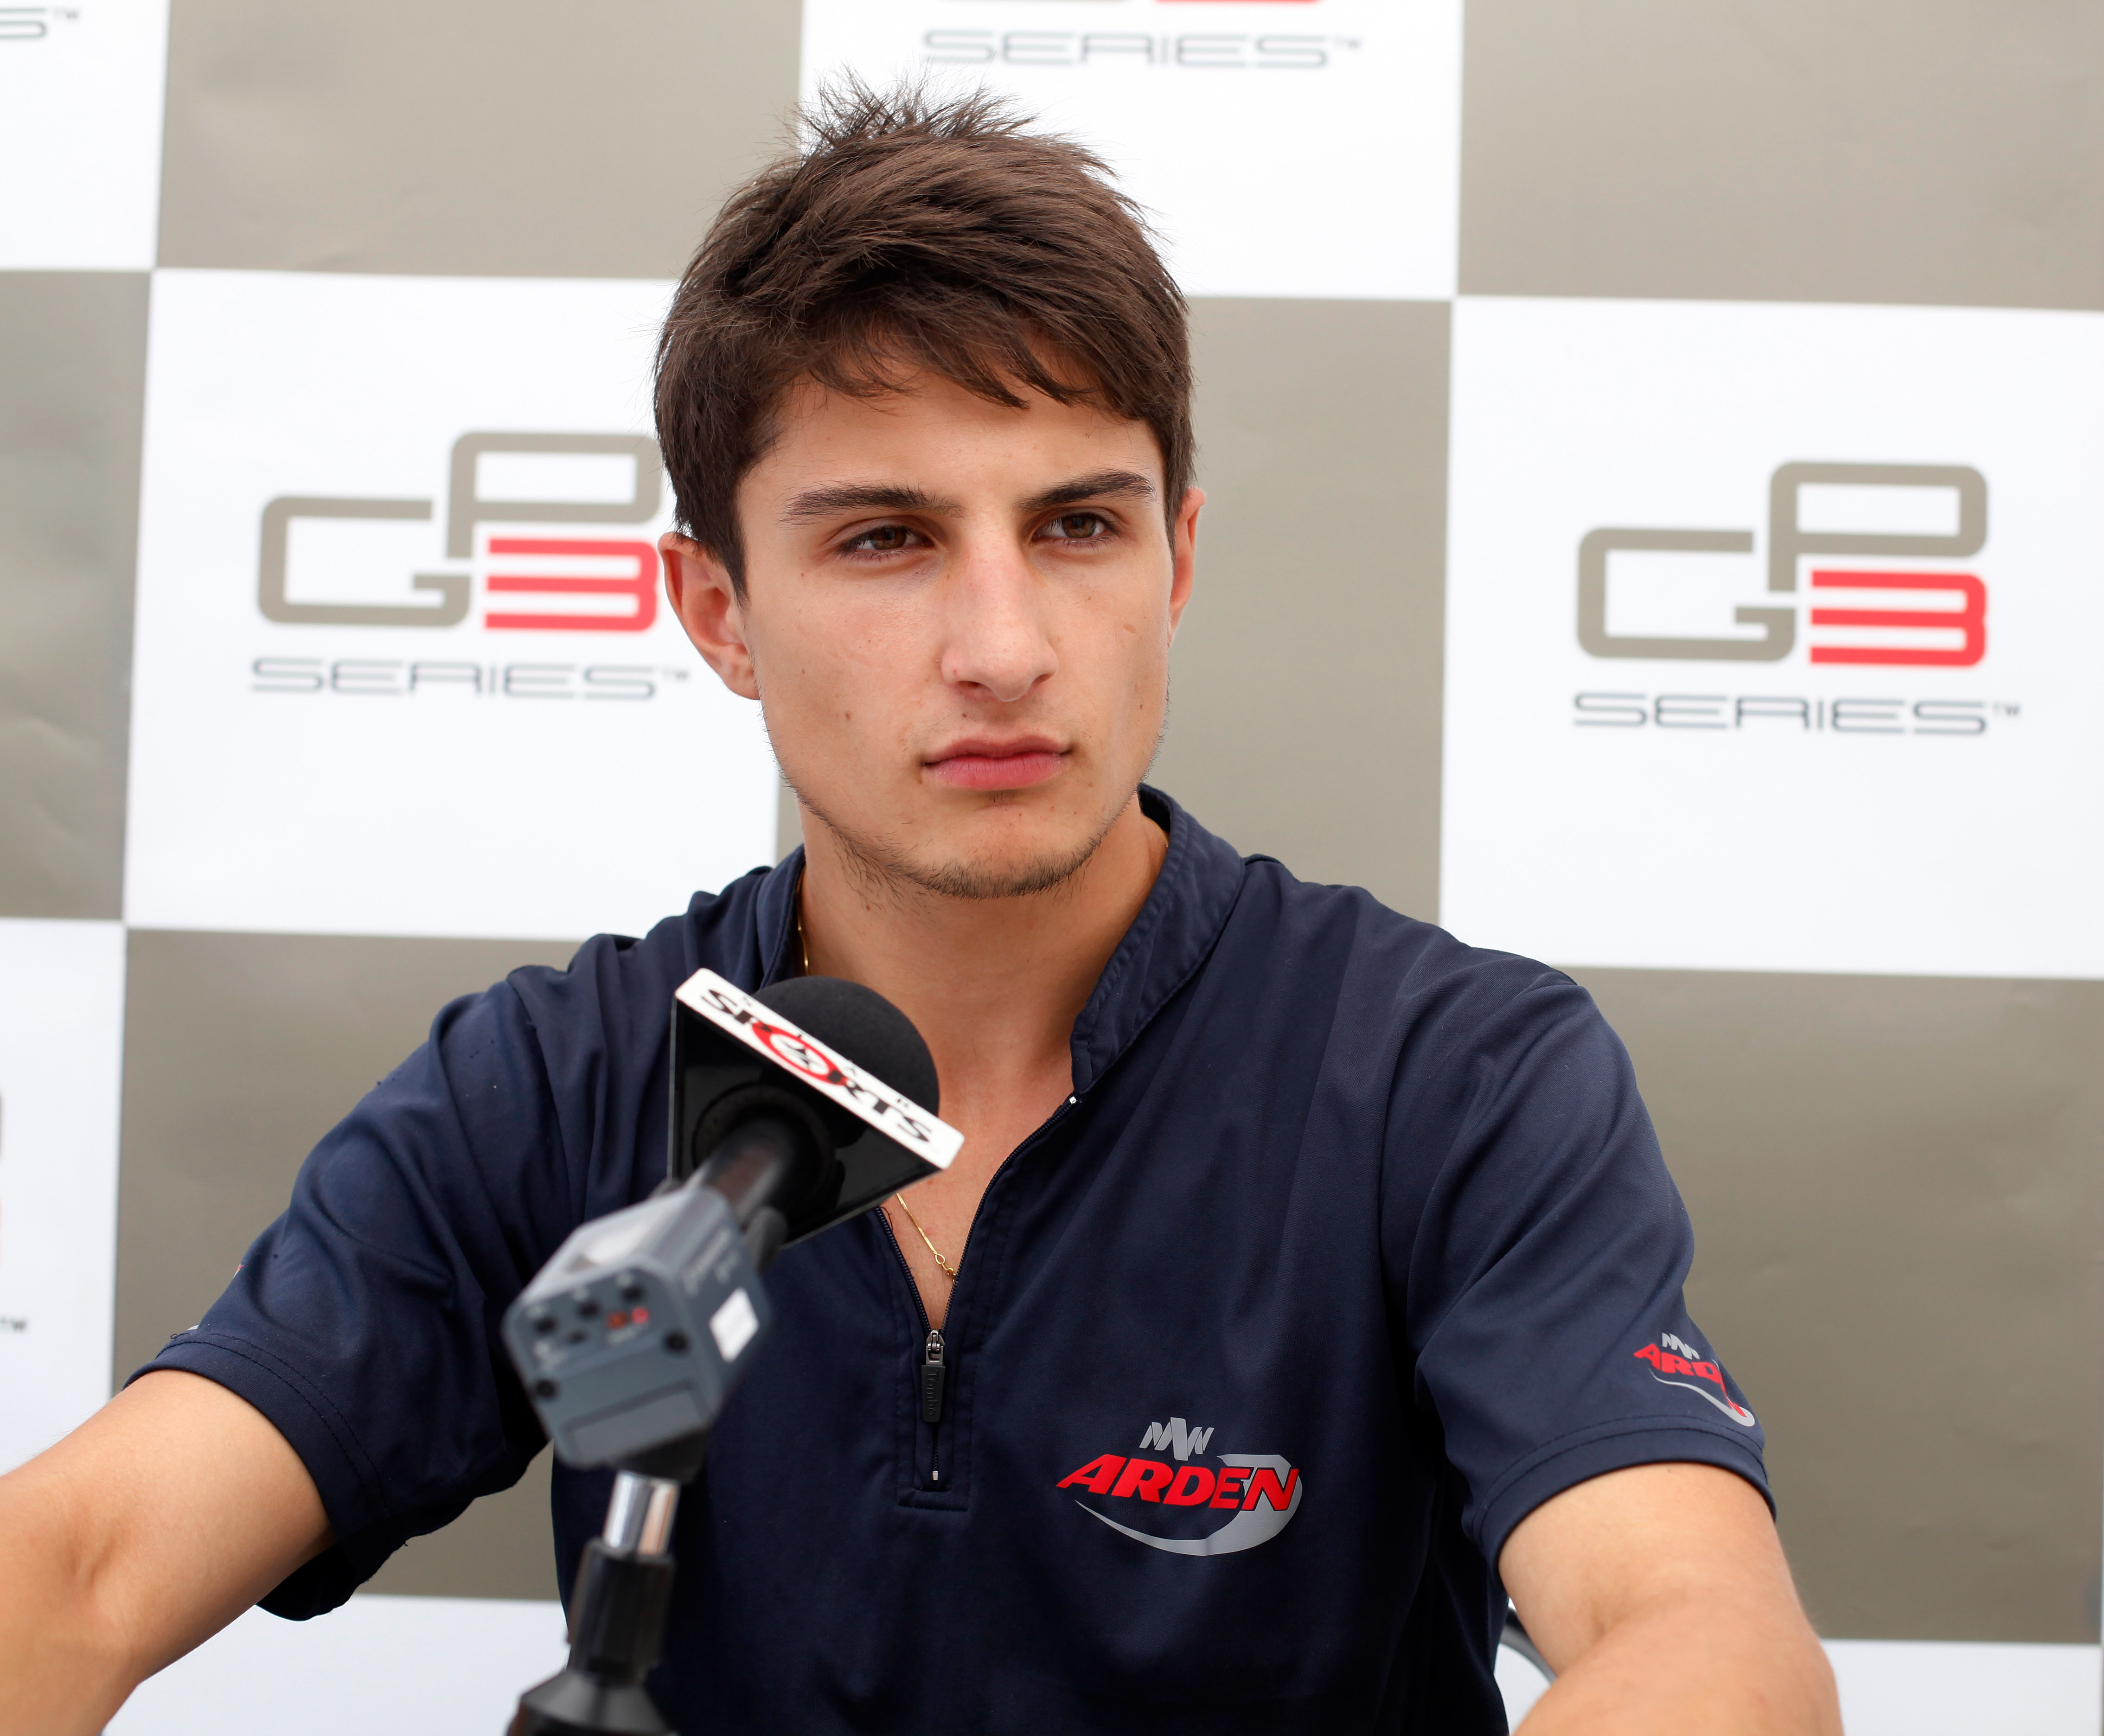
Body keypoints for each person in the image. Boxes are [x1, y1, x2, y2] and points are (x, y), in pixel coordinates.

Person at [0, 85, 1840, 1736]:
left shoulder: (1453, 1077)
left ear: (1180, 558)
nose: (1005, 647)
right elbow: (78, 1569)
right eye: (885, 539)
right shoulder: (562, 1082)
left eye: (1078, 527)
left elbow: (1706, 1644)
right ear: (719, 611)